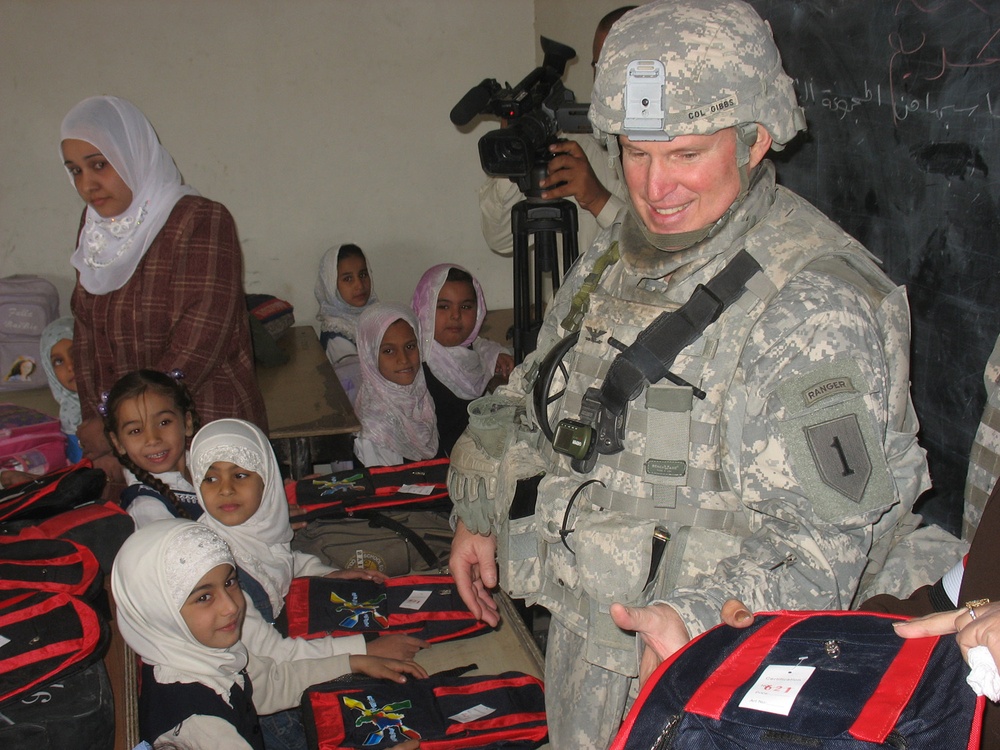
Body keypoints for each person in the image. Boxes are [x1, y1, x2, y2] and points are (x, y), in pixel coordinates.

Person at [447, 2, 932, 747]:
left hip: (712, 685)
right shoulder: (616, 257)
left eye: (685, 155)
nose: (654, 187)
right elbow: (539, 399)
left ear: (755, 140)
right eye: (635, 154)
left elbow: (824, 555)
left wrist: (696, 620)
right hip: (588, 658)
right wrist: (481, 509)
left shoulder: (810, 308)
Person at [59, 95, 267, 492]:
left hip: (203, 430)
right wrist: (100, 424)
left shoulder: (199, 220)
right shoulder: (95, 234)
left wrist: (127, 427)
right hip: (130, 442)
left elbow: (201, 341)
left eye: (99, 164)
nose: (87, 184)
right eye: (75, 170)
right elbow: (85, 337)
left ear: (132, 154)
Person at [111, 519, 427, 749]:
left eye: (229, 582)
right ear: (159, 612)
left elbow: (267, 684)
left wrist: (354, 662)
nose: (231, 607)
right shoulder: (199, 728)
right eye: (204, 597)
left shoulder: (199, 653)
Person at [477, 7, 633, 259]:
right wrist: (517, 153)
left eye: (621, 64)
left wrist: (598, 199)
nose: (607, 77)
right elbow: (500, 239)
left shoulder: (681, 148)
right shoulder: (568, 149)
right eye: (600, 65)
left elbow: (662, 250)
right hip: (568, 300)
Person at [411, 264, 514, 454]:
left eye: (466, 306)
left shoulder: (483, 356)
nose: (456, 315)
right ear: (424, 309)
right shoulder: (414, 365)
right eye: (443, 306)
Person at [103, 369, 201, 524]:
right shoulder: (147, 508)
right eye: (135, 431)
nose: (152, 439)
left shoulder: (210, 466)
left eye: (164, 422)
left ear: (187, 422)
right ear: (118, 443)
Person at [353, 303, 439, 467]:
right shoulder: (376, 426)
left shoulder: (421, 398)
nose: (404, 359)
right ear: (369, 356)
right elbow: (386, 486)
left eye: (410, 346)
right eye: (388, 351)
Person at [315, 243, 378, 405]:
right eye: (348, 278)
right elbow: (354, 386)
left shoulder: (375, 315)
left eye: (363, 274)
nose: (359, 285)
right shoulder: (337, 336)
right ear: (331, 285)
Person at [40, 317, 84, 463]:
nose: (70, 367)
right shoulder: (64, 418)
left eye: (75, 354)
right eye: (58, 361)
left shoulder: (116, 405)